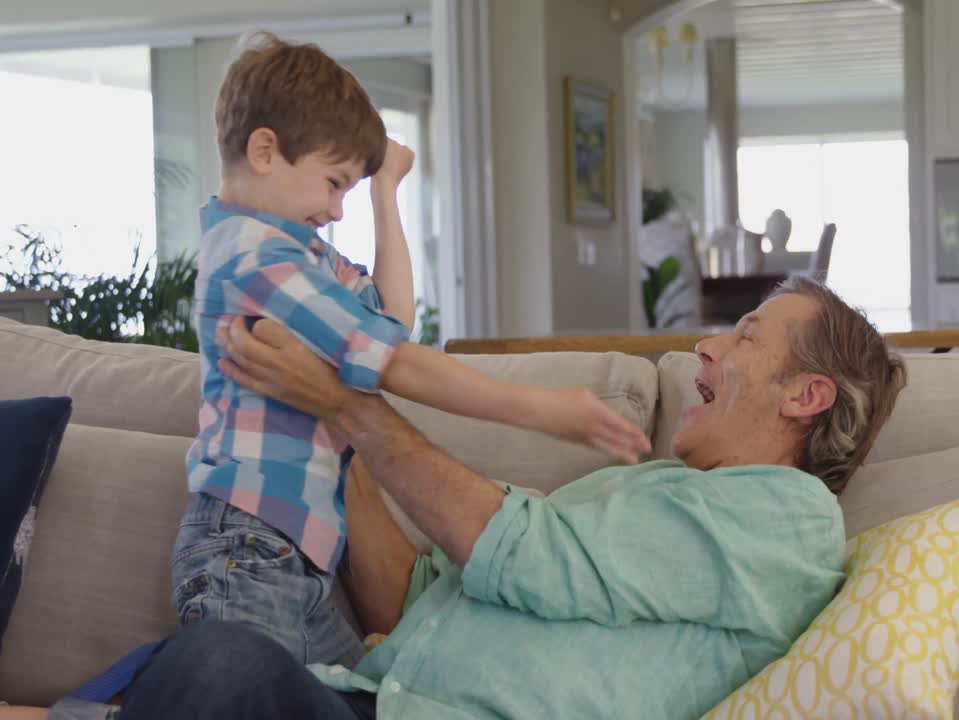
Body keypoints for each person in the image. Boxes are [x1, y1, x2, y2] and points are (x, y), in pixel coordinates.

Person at [17, 277, 905, 720]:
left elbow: (525, 553)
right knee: (221, 659)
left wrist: (352, 406)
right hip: (369, 697)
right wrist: (335, 430)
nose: (707, 351)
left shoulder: (785, 520)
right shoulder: (651, 488)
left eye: (745, 336)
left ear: (806, 397)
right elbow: (413, 602)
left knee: (224, 669)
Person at [171, 31, 652, 678]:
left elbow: (392, 322)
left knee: (366, 699)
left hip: (295, 551)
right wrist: (544, 410)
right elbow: (393, 360)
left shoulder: (296, 258)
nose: (335, 208)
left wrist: (383, 193)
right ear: (265, 150)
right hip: (248, 547)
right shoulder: (254, 258)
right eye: (332, 183)